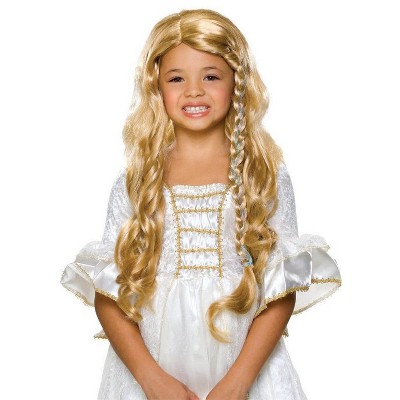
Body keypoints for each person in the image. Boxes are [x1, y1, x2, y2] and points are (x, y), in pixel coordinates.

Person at [60, 8, 342, 400]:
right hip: (152, 374)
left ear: (237, 82)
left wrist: (239, 382)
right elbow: (109, 293)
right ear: (157, 86)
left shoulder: (262, 176)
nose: (194, 91)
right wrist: (151, 380)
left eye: (211, 76)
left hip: (247, 372)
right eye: (177, 78)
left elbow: (280, 288)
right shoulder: (137, 183)